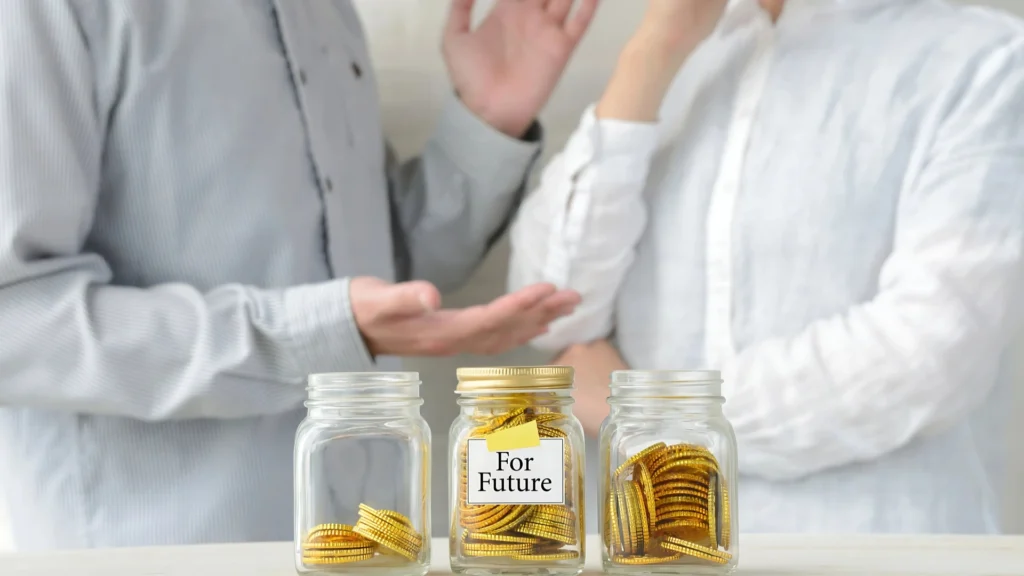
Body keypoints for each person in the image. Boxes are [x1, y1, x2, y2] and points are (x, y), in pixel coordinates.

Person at [0, 0, 598, 550]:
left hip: (368, 543)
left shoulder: (323, 12)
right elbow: (16, 322)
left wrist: (487, 123)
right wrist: (321, 332)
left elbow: (379, 282)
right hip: (157, 553)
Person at [509, 0, 1024, 534]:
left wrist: (650, 417)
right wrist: (650, 53)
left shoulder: (983, 61)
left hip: (870, 547)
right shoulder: (683, 56)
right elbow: (545, 314)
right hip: (652, 545)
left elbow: (930, 353)